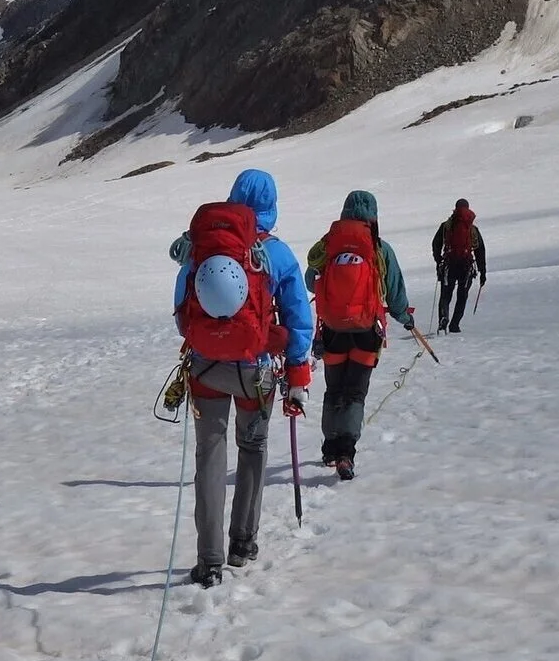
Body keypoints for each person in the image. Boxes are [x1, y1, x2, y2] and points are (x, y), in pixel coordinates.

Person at [171, 169, 312, 589]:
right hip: (257, 369)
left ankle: (209, 561)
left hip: (206, 366)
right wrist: (298, 371)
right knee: (252, 448)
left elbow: (182, 307)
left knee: (209, 457)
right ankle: (242, 543)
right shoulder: (277, 254)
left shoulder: (202, 247)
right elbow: (298, 318)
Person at [305, 190, 413, 482]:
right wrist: (405, 318)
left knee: (334, 390)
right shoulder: (380, 248)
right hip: (367, 331)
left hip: (332, 331)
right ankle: (345, 453)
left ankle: (330, 448)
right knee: (355, 392)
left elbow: (310, 281)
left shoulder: (328, 245)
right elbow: (395, 291)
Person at [432, 198, 487, 334]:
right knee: (462, 296)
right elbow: (480, 251)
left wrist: (439, 260)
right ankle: (455, 325)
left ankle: (443, 319)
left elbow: (436, 244)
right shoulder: (472, 229)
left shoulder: (446, 226)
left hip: (449, 265)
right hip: (466, 266)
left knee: (446, 295)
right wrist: (482, 271)